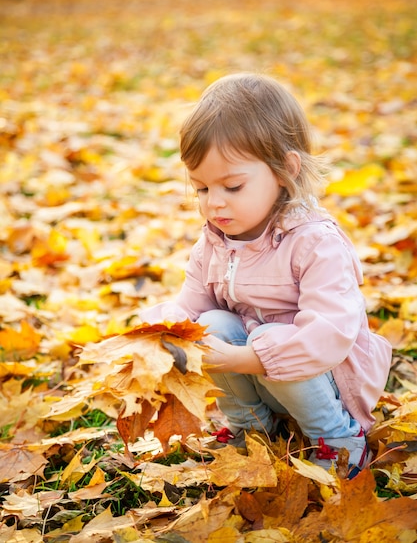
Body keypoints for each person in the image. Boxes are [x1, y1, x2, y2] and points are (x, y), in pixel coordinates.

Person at [140, 72, 392, 473]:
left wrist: (244, 358)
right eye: (202, 189)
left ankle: (339, 441)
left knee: (273, 335)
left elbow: (327, 336)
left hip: (328, 385)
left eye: (233, 187)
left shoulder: (314, 243)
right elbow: (190, 306)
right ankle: (253, 429)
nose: (213, 204)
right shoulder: (214, 243)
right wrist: (157, 326)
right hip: (260, 378)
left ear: (284, 171)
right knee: (211, 324)